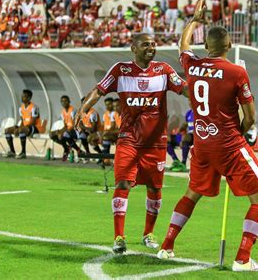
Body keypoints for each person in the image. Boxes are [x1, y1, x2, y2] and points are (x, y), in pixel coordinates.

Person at [157, 0, 258, 272]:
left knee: (193, 192)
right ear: (229, 46)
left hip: (202, 144)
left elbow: (183, 45)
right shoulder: (236, 72)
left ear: (206, 46)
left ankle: (166, 246)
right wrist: (240, 135)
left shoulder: (192, 66)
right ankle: (243, 258)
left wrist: (195, 20)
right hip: (229, 143)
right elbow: (251, 116)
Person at [79, 33, 187, 254]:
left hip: (156, 143)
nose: (151, 47)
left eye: (153, 44)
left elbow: (185, 88)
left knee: (155, 189)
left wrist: (208, 95)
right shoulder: (120, 70)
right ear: (133, 48)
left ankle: (148, 233)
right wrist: (83, 110)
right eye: (146, 44)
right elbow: (99, 90)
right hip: (129, 141)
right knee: (122, 185)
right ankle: (119, 237)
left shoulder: (164, 70)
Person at [4, 89, 42, 159]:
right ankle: (12, 151)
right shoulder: (21, 108)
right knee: (7, 130)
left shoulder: (34, 107)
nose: (22, 97)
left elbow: (33, 122)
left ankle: (23, 152)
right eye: (22, 96)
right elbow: (22, 121)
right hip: (25, 127)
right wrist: (18, 128)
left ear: (29, 98)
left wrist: (20, 129)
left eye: (24, 96)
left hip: (35, 128)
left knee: (21, 130)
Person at [49, 95, 79, 161]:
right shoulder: (63, 112)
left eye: (65, 101)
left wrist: (62, 131)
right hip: (67, 129)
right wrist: (59, 131)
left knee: (63, 134)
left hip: (75, 130)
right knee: (52, 134)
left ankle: (77, 150)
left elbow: (75, 124)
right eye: (62, 101)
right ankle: (66, 147)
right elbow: (64, 124)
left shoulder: (73, 110)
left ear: (69, 101)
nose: (64, 103)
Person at [169, 108, 194, 172]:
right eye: (189, 101)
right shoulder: (189, 112)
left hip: (197, 136)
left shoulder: (200, 112)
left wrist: (183, 136)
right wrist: (179, 130)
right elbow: (185, 125)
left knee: (186, 138)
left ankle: (183, 163)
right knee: (167, 140)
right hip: (189, 136)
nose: (190, 102)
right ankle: (176, 161)